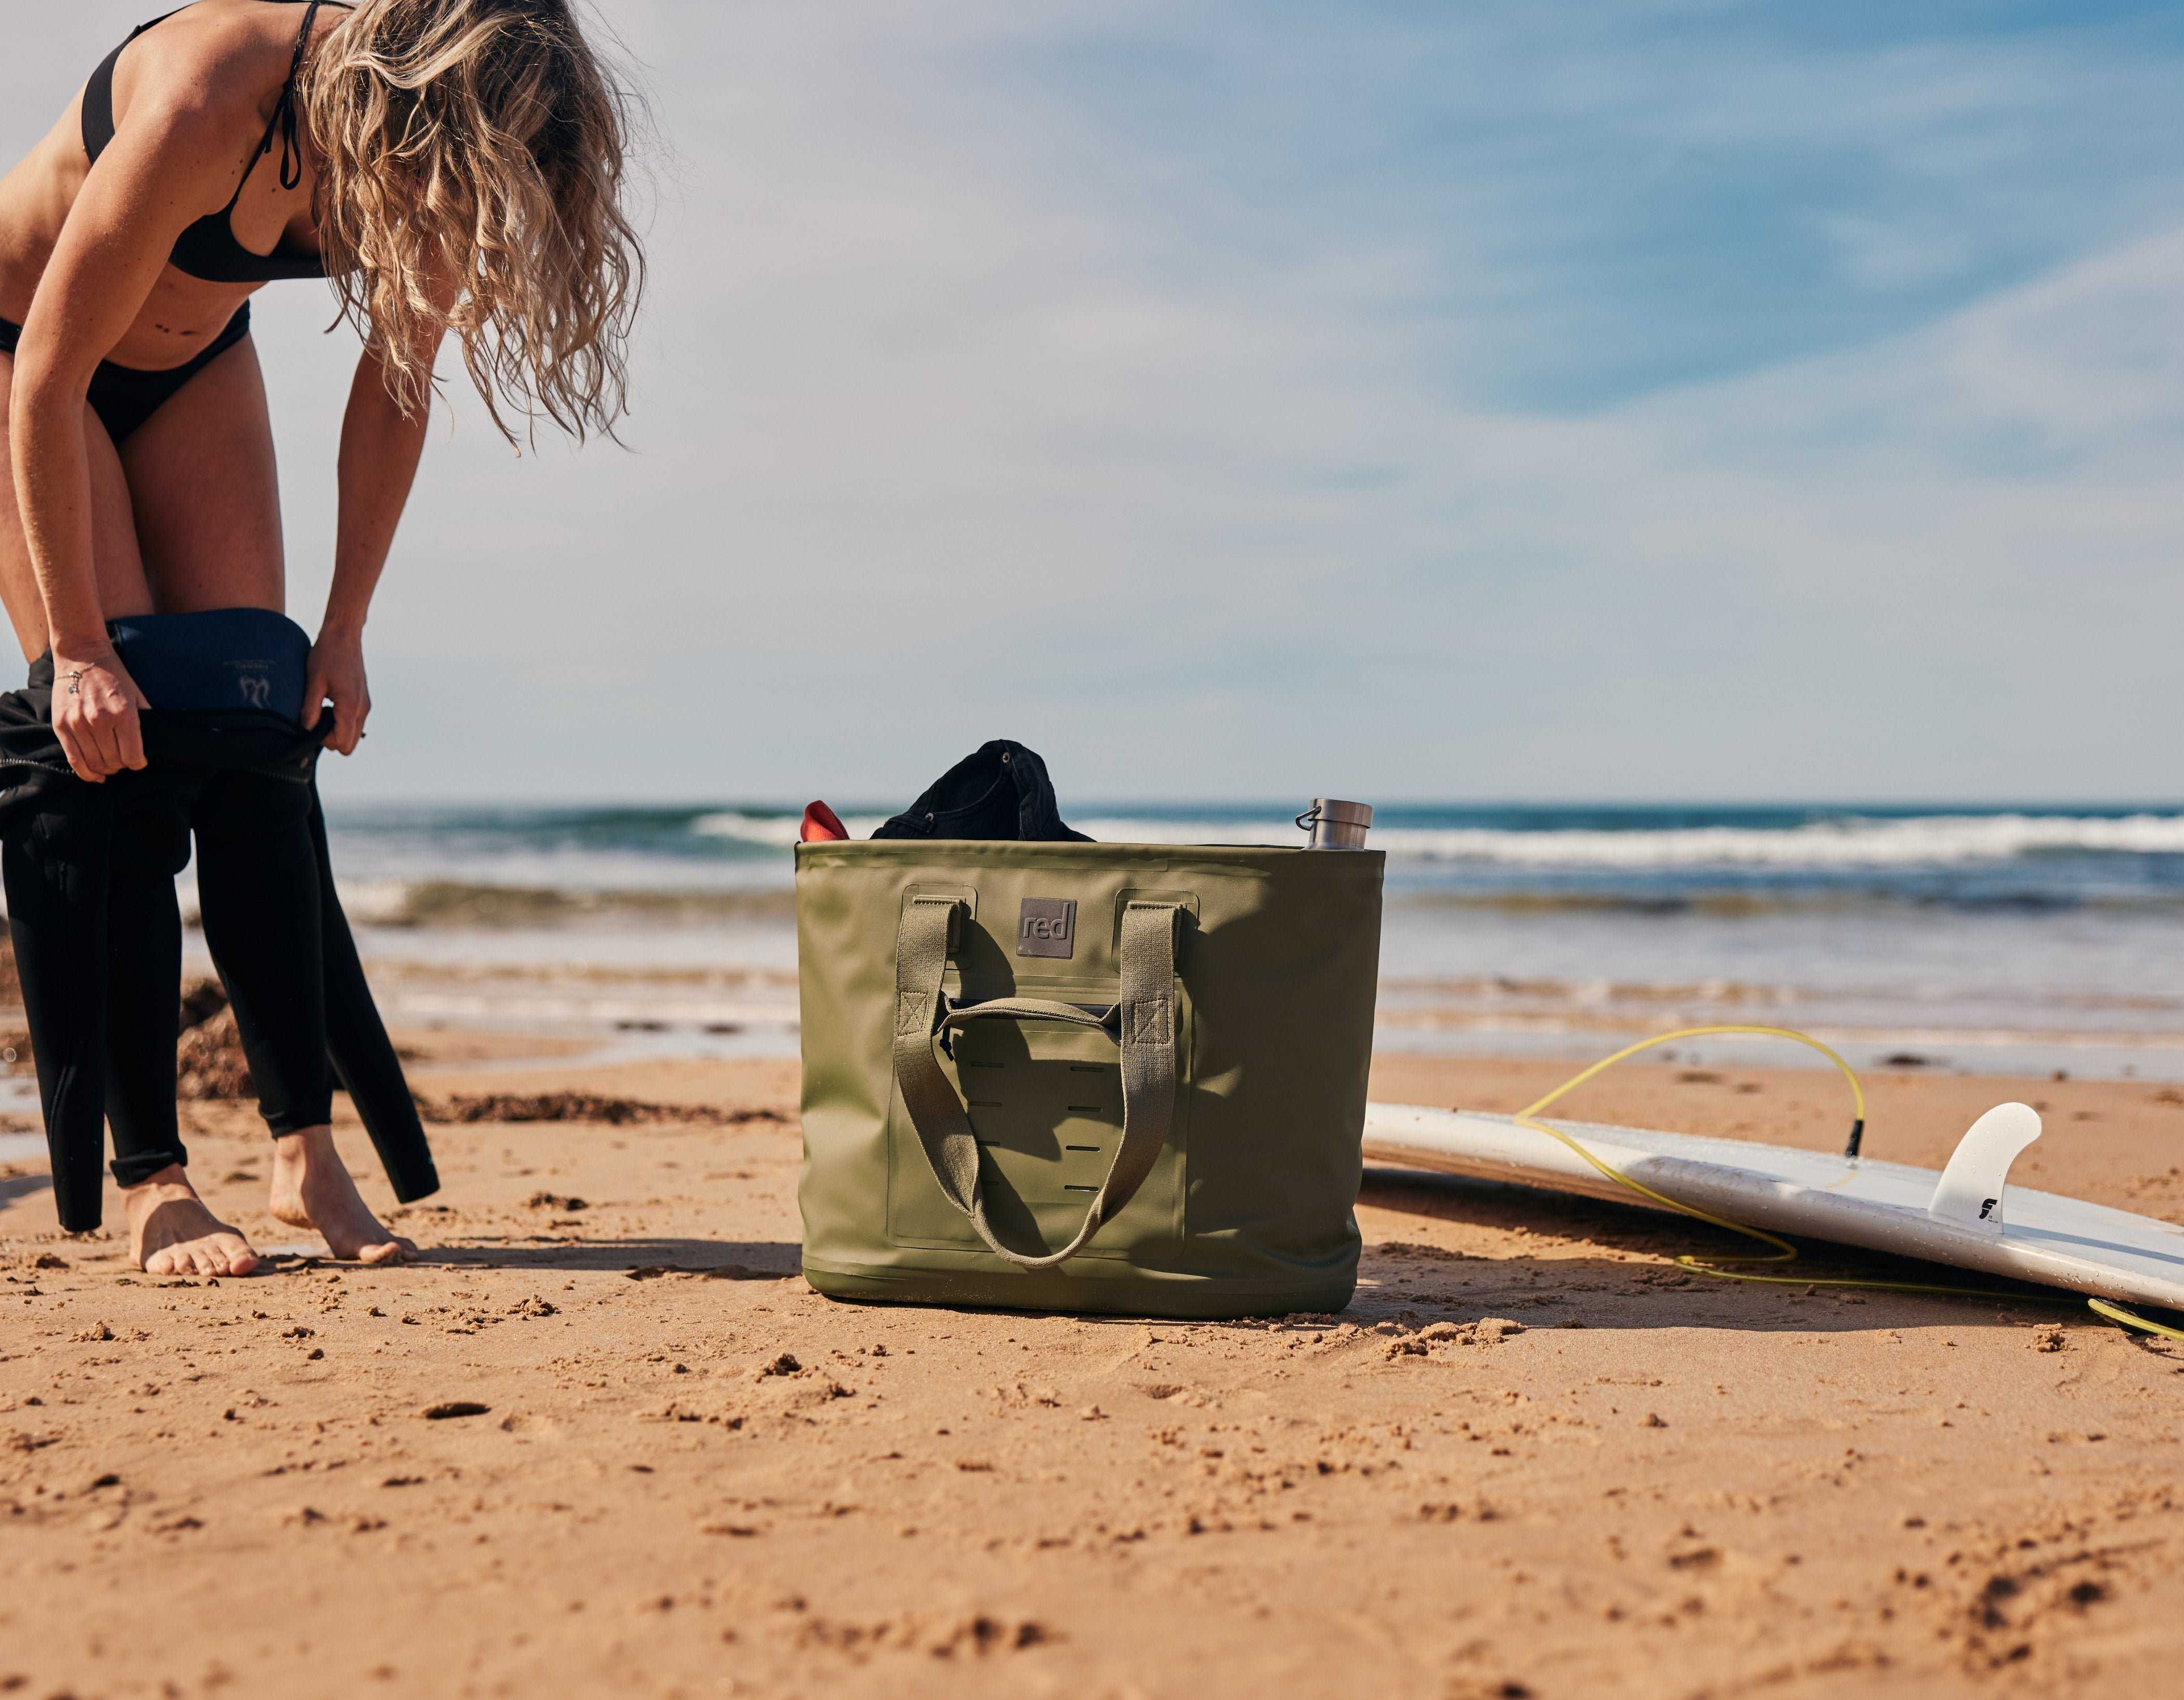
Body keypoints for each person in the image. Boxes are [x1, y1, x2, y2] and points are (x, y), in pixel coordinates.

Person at [0, 0, 644, 1275]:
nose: (460, 202)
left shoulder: (451, 158)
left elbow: (398, 384)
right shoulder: (207, 99)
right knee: (122, 751)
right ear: (404, 96)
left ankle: (306, 1157)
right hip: (29, 360)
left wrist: (343, 633)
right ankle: (156, 1184)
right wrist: (77, 647)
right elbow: (49, 378)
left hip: (194, 363)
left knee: (260, 733)